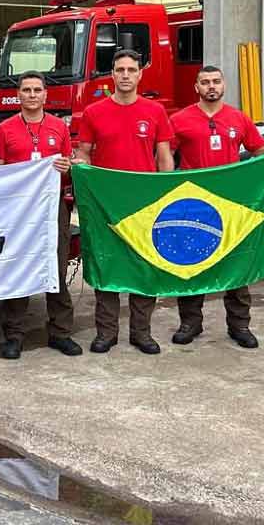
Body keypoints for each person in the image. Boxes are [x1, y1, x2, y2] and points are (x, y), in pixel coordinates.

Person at [169, 65, 264, 348]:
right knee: (192, 264)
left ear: (224, 85)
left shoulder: (239, 119)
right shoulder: (179, 119)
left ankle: (239, 325)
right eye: (205, 82)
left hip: (231, 205)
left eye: (216, 81)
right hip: (194, 205)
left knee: (235, 264)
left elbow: (261, 151)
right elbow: (164, 155)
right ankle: (190, 323)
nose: (211, 86)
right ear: (195, 87)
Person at [72, 49, 175, 355]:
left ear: (140, 74)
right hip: (105, 203)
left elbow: (165, 155)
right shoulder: (94, 112)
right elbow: (84, 153)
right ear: (112, 74)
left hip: (145, 204)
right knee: (107, 266)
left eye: (132, 69)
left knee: (145, 267)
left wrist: (165, 190)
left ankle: (141, 333)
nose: (126, 75)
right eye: (120, 70)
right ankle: (106, 332)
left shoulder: (156, 111)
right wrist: (83, 177)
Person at [0, 72, 80, 359]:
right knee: (19, 267)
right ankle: (14, 335)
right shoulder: (4, 130)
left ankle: (61, 332)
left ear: (45, 95)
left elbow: (69, 166)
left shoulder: (59, 128)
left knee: (56, 267)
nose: (31, 95)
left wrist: (68, 167)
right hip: (17, 212)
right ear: (18, 95)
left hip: (53, 208)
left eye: (37, 90)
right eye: (26, 90)